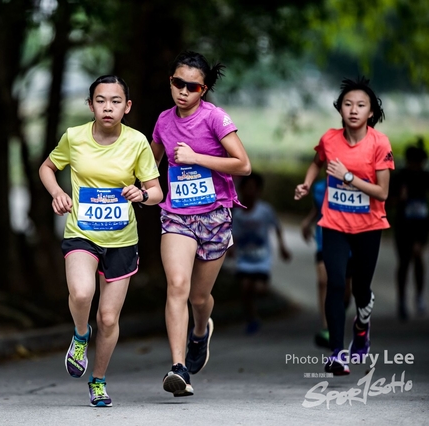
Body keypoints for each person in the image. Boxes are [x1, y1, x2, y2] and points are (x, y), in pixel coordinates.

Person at [39, 75, 163, 407]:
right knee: (82, 293)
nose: (108, 107)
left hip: (122, 239)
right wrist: (57, 193)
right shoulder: (74, 137)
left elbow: (157, 192)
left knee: (108, 318)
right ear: (90, 105)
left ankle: (98, 381)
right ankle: (81, 335)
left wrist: (141, 194)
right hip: (81, 232)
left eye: (116, 101)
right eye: (101, 100)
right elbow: (47, 168)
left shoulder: (137, 142)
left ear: (127, 106)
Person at [150, 51, 251, 397]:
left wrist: (196, 158)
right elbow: (150, 164)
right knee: (177, 285)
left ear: (203, 89)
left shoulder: (215, 118)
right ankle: (178, 368)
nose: (183, 91)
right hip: (176, 215)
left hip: (214, 216)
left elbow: (243, 165)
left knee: (198, 296)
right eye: (178, 83)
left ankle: (199, 331)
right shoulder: (163, 121)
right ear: (170, 82)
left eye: (192, 86)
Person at [294, 77, 394, 376]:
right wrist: (307, 183)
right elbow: (317, 161)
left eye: (361, 105)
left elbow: (382, 193)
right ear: (340, 109)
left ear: (371, 113)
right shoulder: (329, 139)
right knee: (335, 284)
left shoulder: (379, 143)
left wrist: (348, 177)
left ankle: (361, 327)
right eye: (348, 104)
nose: (353, 110)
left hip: (368, 226)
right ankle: (337, 353)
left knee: (361, 289)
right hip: (334, 224)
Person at [232, 172, 290, 335]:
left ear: (259, 191)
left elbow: (277, 227)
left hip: (262, 257)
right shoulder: (238, 213)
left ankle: (256, 310)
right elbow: (234, 234)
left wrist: (282, 247)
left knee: (259, 289)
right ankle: (251, 318)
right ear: (241, 190)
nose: (250, 191)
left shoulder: (265, 210)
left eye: (253, 188)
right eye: (247, 188)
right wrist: (231, 249)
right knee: (245, 288)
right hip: (244, 257)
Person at [300, 179, 353, 348]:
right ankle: (327, 328)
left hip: (347, 243)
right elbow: (319, 208)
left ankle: (337, 314)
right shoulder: (319, 188)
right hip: (324, 241)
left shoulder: (352, 185)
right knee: (323, 282)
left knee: (345, 291)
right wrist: (307, 221)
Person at [389, 138, 429, 321]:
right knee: (404, 262)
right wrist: (400, 198)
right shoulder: (399, 177)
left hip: (420, 225)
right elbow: (387, 201)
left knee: (418, 256)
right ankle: (402, 300)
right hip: (403, 226)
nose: (416, 166)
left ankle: (419, 297)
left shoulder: (425, 176)